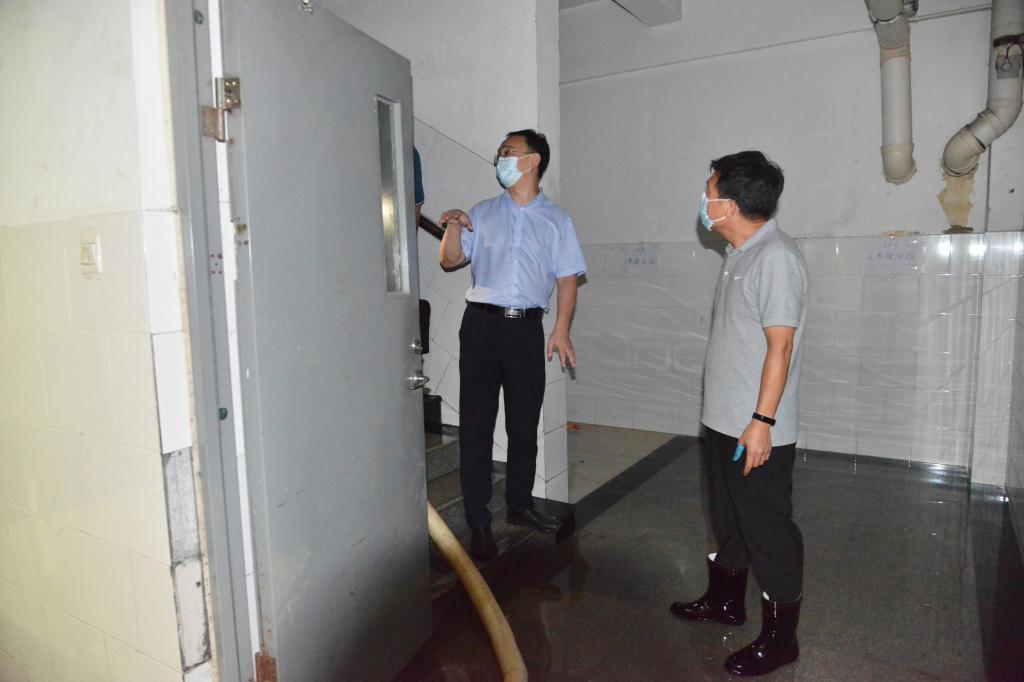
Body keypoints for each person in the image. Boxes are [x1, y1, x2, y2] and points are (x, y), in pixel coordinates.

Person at [670, 151, 807, 677]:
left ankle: (781, 640)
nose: (703, 200)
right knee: (728, 519)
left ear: (730, 203)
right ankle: (726, 600)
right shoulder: (741, 253)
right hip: (725, 420)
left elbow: (780, 347)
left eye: (710, 191)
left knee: (767, 530)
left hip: (755, 427)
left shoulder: (776, 258)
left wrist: (763, 423)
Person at [438, 129, 586, 562]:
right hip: (480, 328)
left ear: (532, 160)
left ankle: (519, 505)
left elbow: (568, 279)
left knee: (524, 424)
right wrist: (453, 226)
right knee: (476, 427)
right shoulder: (482, 212)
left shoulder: (557, 220)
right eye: (500, 152)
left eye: (509, 152)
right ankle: (478, 521)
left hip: (526, 330)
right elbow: (450, 260)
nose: (500, 158)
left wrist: (561, 328)